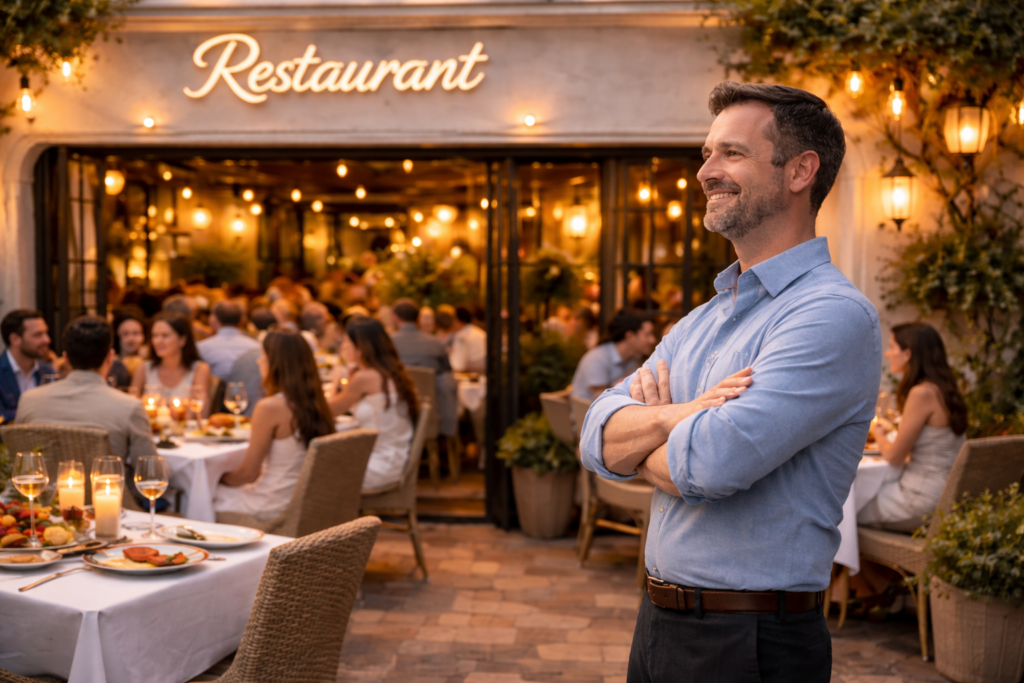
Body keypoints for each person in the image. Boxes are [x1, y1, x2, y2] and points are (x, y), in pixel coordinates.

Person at [580, 82, 881, 682]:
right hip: (660, 624)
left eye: (731, 154)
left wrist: (646, 442)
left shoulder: (830, 316)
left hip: (751, 643)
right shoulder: (703, 318)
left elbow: (711, 465)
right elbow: (595, 436)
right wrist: (680, 414)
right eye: (706, 154)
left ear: (801, 171)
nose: (705, 172)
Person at [213, 331, 335, 521]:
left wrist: (214, 478)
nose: (258, 361)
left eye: (262, 355)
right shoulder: (316, 402)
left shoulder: (271, 406)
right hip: (302, 500)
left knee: (202, 498)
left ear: (276, 363)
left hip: (272, 503)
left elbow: (248, 474)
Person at [858, 323, 967, 532]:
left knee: (839, 513)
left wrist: (878, 434)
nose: (888, 354)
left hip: (918, 500)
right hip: (944, 497)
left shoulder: (922, 393)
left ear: (907, 353)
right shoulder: (943, 389)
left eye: (891, 347)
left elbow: (894, 457)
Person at [15, 316, 156, 463]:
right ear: (110, 358)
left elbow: (19, 463)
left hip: (44, 486)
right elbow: (150, 471)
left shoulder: (28, 400)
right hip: (107, 485)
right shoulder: (130, 407)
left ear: (66, 358)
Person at [328, 317, 418, 489]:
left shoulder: (365, 377)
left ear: (361, 348)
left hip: (379, 465)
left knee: (314, 470)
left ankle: (336, 515)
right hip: (393, 457)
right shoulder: (392, 371)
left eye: (347, 342)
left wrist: (334, 382)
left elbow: (329, 411)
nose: (344, 347)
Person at [390, 298, 458, 437]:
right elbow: (448, 370)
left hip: (397, 412)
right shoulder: (435, 343)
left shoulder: (388, 343)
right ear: (417, 318)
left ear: (395, 318)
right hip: (433, 411)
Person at [570, 309, 656, 400]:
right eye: (647, 334)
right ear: (630, 336)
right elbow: (602, 399)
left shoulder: (633, 359)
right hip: (586, 412)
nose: (653, 340)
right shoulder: (596, 359)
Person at [130, 311, 211, 399]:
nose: (158, 341)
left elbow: (201, 411)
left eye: (165, 335)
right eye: (155, 335)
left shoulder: (199, 370)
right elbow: (131, 408)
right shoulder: (143, 369)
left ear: (182, 340)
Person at [0, 309, 55, 422]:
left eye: (46, 333)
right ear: (15, 339)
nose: (47, 340)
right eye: (38, 335)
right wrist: (33, 412)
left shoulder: (47, 370)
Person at [197, 300, 261, 380]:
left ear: (213, 319)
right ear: (241, 320)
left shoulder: (201, 348)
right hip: (249, 391)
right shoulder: (257, 346)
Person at [449, 306, 486, 374]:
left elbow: (457, 365)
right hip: (484, 374)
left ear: (458, 320)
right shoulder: (480, 332)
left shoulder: (461, 336)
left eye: (453, 319)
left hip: (469, 377)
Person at [112, 307, 147, 377]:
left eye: (136, 333)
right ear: (117, 336)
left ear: (143, 336)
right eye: (125, 333)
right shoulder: (111, 364)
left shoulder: (149, 364)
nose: (131, 339)